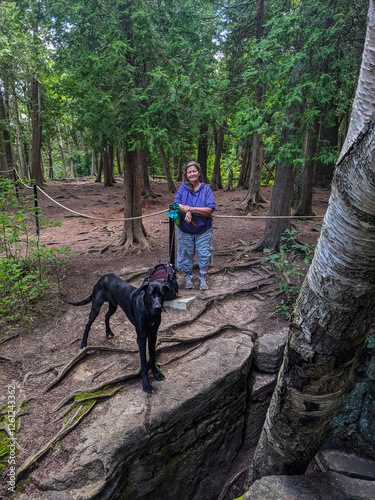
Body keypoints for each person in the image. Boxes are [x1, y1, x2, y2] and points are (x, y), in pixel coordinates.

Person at [173, 160, 215, 290]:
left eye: (194, 171)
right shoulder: (183, 188)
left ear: (199, 172)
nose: (192, 174)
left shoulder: (206, 190)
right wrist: (185, 210)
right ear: (186, 174)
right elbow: (176, 203)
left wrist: (191, 208)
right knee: (186, 253)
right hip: (185, 228)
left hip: (203, 229)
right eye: (189, 172)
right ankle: (189, 276)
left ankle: (203, 277)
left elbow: (210, 210)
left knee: (204, 253)